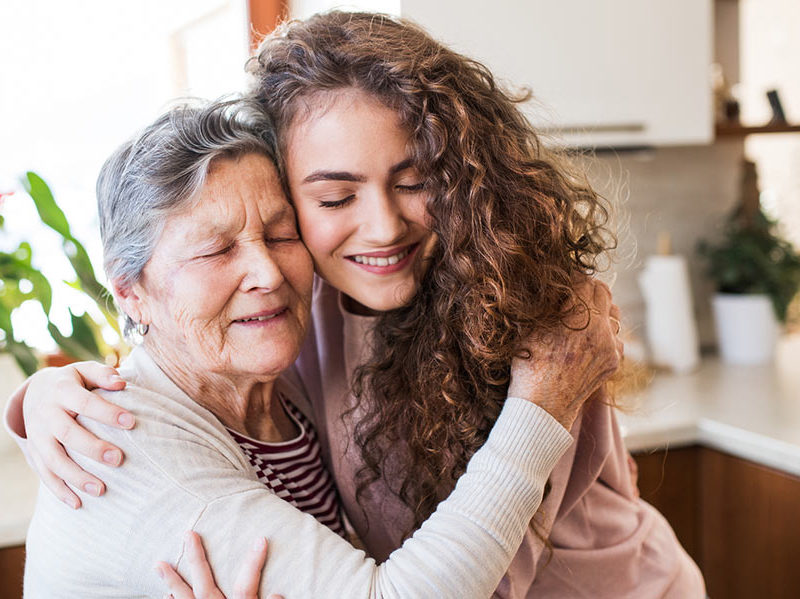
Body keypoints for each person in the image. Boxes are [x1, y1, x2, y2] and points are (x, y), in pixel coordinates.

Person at [5, 11, 704, 598]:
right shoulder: (293, 329)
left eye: (414, 180)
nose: (381, 226)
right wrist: (39, 398)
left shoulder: (518, 315)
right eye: (335, 198)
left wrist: (544, 402)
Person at [22, 99, 593, 598]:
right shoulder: (121, 448)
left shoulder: (276, 390)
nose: (267, 273)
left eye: (279, 234)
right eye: (216, 251)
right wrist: (543, 403)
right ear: (132, 292)